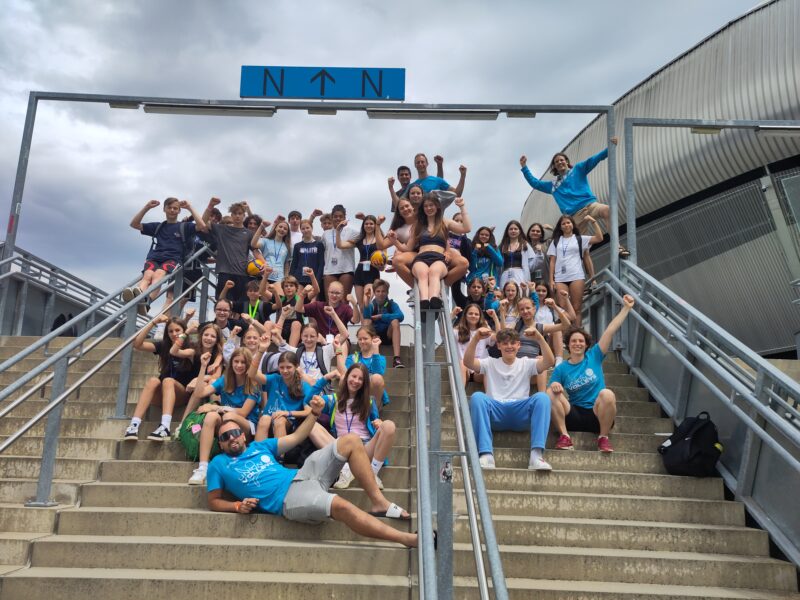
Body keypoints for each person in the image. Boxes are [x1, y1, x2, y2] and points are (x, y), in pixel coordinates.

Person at [206, 405, 416, 546]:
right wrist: (235, 506)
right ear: (220, 443)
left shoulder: (260, 446)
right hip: (288, 499)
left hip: (303, 474)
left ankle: (379, 502)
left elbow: (297, 436)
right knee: (340, 505)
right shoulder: (218, 464)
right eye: (225, 436)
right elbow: (213, 501)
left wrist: (314, 413)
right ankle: (405, 539)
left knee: (351, 440)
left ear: (243, 435)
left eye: (234, 433)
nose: (231, 438)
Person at [548, 294, 635, 454]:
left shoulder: (594, 356)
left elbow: (610, 330)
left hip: (597, 415)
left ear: (587, 344)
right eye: (573, 341)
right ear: (568, 345)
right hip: (573, 416)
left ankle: (603, 437)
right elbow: (549, 393)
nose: (577, 344)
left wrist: (626, 308)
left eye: (581, 341)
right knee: (550, 395)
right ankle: (565, 436)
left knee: (607, 394)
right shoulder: (561, 368)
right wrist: (553, 385)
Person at [464, 326, 555, 471]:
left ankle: (536, 456)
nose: (509, 346)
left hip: (520, 413)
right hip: (496, 412)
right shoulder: (490, 362)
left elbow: (549, 362)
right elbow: (468, 363)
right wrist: (476, 339)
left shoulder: (526, 362)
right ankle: (486, 454)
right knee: (477, 397)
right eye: (505, 343)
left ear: (519, 345)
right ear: (498, 345)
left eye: (513, 343)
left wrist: (539, 338)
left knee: (542, 398)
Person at [186, 348, 262, 484]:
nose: (239, 365)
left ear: (249, 364)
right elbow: (199, 394)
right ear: (231, 363)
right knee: (210, 417)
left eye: (243, 362)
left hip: (247, 425)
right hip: (226, 423)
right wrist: (203, 367)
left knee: (227, 416)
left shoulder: (254, 383)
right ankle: (203, 467)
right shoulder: (225, 379)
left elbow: (244, 412)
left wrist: (217, 407)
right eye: (236, 361)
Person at [519, 137, 618, 238]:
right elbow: (535, 183)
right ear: (554, 167)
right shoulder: (553, 186)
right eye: (556, 162)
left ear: (566, 161)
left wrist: (610, 148)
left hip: (590, 205)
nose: (559, 162)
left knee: (608, 210)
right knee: (582, 246)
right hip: (575, 215)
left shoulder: (578, 169)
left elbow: (595, 159)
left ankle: (617, 246)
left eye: (561, 160)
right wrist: (524, 167)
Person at [322, 363, 398, 491]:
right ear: (346, 378)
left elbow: (376, 423)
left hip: (364, 448)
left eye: (361, 379)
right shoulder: (333, 399)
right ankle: (346, 469)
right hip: (342, 446)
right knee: (313, 426)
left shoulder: (369, 401)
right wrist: (323, 379)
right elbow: (307, 401)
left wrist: (379, 423)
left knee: (389, 426)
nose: (356, 381)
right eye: (353, 376)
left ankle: (372, 474)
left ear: (364, 383)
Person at [123, 314, 198, 442]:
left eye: (177, 330)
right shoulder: (164, 345)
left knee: (168, 381)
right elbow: (137, 344)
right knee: (153, 381)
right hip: (163, 394)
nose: (174, 334)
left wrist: (186, 332)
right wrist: (153, 322)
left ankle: (165, 426)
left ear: (183, 330)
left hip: (182, 394)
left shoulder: (192, 348)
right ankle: (134, 425)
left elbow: (176, 351)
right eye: (170, 331)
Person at [123, 197, 207, 309]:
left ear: (179, 211)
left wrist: (189, 207)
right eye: (169, 207)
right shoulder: (158, 226)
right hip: (154, 257)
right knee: (147, 275)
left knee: (158, 275)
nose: (172, 210)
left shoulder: (184, 226)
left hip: (172, 259)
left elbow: (202, 226)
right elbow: (134, 224)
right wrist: (147, 207)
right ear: (164, 209)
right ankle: (138, 295)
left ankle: (147, 300)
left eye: (175, 208)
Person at [409, 196, 471, 309]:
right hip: (421, 257)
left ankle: (434, 298)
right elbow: (409, 247)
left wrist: (462, 207)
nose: (428, 208)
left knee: (434, 273)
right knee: (422, 274)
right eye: (426, 206)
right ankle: (423, 301)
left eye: (431, 205)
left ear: (437, 206)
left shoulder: (444, 222)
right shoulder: (418, 224)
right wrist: (395, 243)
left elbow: (466, 228)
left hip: (438, 258)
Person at [547, 215, 603, 327]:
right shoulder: (556, 241)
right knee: (563, 307)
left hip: (576, 276)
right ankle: (566, 335)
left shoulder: (580, 238)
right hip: (560, 278)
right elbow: (552, 261)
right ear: (560, 227)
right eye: (563, 223)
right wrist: (551, 279)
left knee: (577, 308)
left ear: (572, 225)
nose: (566, 225)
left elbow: (599, 238)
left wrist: (593, 221)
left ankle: (577, 332)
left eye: (568, 222)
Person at [514, 296, 572, 392]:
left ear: (534, 308)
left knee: (541, 360)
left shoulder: (540, 327)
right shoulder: (515, 326)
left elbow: (566, 325)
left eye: (528, 308)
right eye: (522, 309)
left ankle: (542, 395)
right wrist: (502, 313)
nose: (525, 311)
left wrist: (554, 306)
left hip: (533, 368)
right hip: (518, 367)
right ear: (519, 312)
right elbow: (501, 333)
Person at [202, 198, 253, 303]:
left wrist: (263, 264)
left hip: (243, 273)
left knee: (240, 307)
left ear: (244, 215)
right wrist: (210, 205)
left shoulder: (249, 233)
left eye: (240, 213)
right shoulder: (222, 229)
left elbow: (256, 250)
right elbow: (204, 222)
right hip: (225, 272)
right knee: (223, 303)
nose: (237, 216)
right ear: (231, 215)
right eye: (234, 213)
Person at [337, 215, 384, 315]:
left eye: (371, 223)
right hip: (359, 273)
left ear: (376, 225)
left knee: (366, 301)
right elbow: (340, 245)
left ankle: (370, 327)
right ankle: (364, 328)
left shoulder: (380, 241)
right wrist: (338, 231)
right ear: (363, 226)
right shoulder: (359, 240)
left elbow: (382, 267)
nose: (369, 225)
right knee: (362, 306)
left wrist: (379, 266)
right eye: (366, 224)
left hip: (372, 273)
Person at [339, 324, 389, 407]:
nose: (362, 341)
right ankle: (348, 407)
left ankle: (374, 413)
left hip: (373, 399)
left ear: (373, 338)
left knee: (377, 378)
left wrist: (376, 349)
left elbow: (378, 374)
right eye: (360, 339)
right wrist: (338, 350)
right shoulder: (352, 357)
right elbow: (345, 375)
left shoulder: (380, 358)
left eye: (365, 338)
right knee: (343, 378)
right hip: (356, 395)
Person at [362, 279, 405, 368]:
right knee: (367, 321)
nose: (380, 294)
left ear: (387, 292)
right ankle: (365, 356)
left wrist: (382, 316)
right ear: (374, 292)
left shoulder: (391, 304)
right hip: (374, 336)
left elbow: (401, 316)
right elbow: (366, 315)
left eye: (383, 291)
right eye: (378, 291)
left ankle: (396, 359)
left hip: (388, 335)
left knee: (395, 321)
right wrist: (366, 302)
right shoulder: (372, 305)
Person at [453, 303, 499, 384]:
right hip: (464, 369)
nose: (473, 316)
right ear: (465, 315)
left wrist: (495, 318)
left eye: (476, 314)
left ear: (480, 317)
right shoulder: (457, 331)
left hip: (479, 369)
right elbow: (444, 333)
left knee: (489, 367)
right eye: (470, 313)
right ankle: (459, 395)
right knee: (462, 363)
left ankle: (489, 396)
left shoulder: (484, 330)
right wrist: (452, 315)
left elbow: (499, 337)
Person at [322, 204, 359, 298]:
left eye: (340, 216)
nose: (338, 218)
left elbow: (368, 235)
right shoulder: (325, 234)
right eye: (335, 216)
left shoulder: (351, 232)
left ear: (345, 218)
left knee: (343, 301)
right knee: (330, 302)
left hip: (346, 269)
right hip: (329, 270)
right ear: (331, 217)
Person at [252, 217, 291, 285]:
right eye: (280, 227)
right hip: (264, 275)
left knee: (278, 296)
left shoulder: (288, 247)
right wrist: (261, 227)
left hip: (279, 278)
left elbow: (286, 264)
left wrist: (286, 278)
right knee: (263, 295)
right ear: (275, 228)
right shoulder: (266, 241)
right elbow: (253, 244)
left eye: (285, 229)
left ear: (287, 232)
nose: (282, 229)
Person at [498, 220, 536, 288]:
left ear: (519, 231)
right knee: (505, 294)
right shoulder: (502, 246)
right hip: (505, 275)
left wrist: (539, 255)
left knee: (520, 294)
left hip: (520, 274)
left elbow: (533, 262)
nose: (513, 231)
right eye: (511, 229)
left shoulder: (525, 244)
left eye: (515, 229)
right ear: (507, 231)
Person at [289, 219, 325, 287]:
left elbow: (321, 264)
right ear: (300, 230)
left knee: (312, 297)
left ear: (312, 228)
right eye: (303, 228)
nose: (305, 230)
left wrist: (317, 280)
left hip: (313, 279)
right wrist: (291, 279)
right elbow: (294, 263)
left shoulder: (319, 245)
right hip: (299, 279)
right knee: (297, 298)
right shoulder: (297, 246)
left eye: (307, 228)